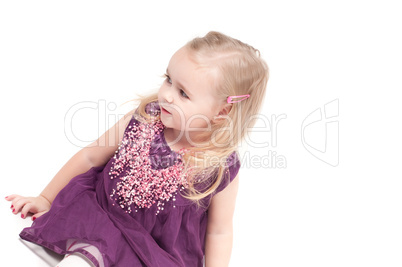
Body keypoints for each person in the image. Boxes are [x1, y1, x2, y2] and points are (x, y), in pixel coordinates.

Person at [5, 31, 269, 267]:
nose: (166, 94)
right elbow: (90, 155)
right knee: (84, 258)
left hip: (154, 251)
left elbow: (219, 231)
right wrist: (46, 198)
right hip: (103, 214)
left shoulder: (219, 165)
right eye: (169, 80)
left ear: (221, 111)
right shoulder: (145, 119)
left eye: (184, 93)